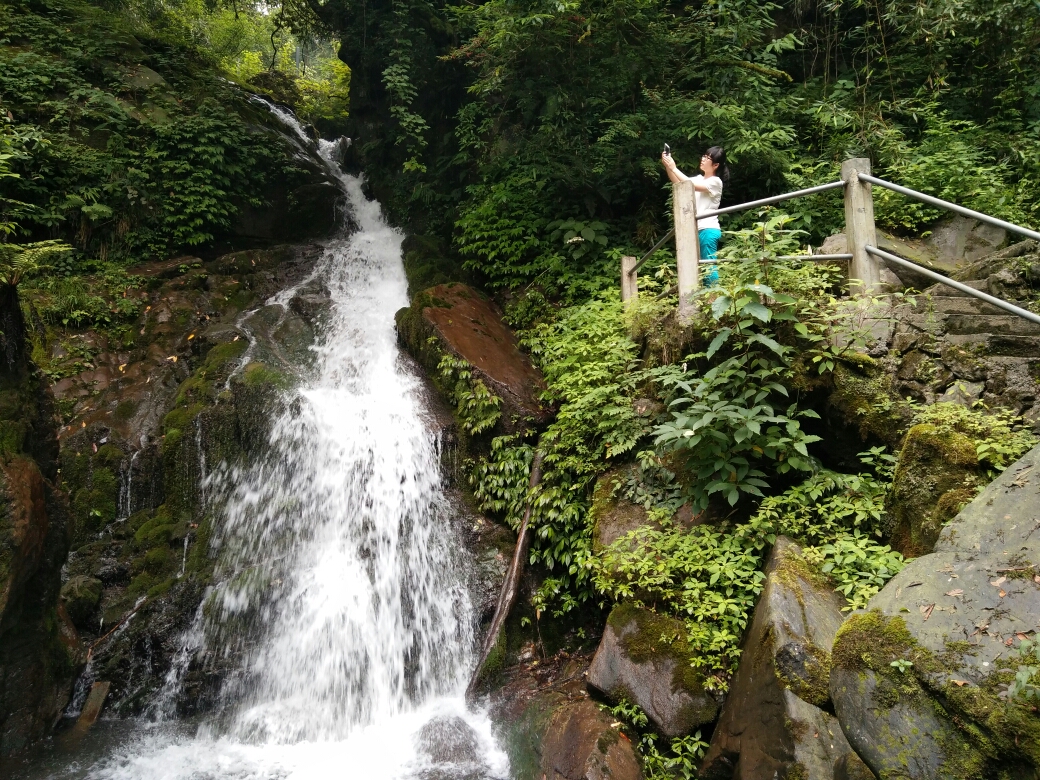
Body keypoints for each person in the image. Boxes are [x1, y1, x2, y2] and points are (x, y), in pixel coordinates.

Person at [661, 146, 729, 286]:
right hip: (696, 229)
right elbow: (679, 182)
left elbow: (689, 184)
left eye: (708, 158)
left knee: (708, 266)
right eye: (704, 155)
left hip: (708, 229)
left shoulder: (716, 182)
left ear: (716, 165)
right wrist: (668, 165)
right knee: (699, 267)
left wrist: (674, 168)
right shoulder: (699, 178)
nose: (703, 159)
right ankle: (706, 298)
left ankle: (714, 298)